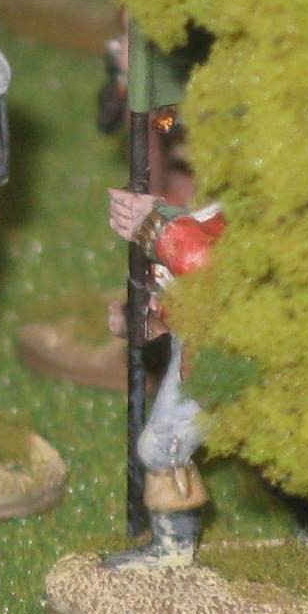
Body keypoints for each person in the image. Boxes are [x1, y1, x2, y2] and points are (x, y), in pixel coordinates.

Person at [104, 190, 226, 568]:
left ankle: (173, 549)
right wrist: (144, 316)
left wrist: (156, 225)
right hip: (201, 346)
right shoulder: (207, 215)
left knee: (162, 446)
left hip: (224, 357)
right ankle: (173, 547)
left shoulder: (244, 220)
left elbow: (203, 264)